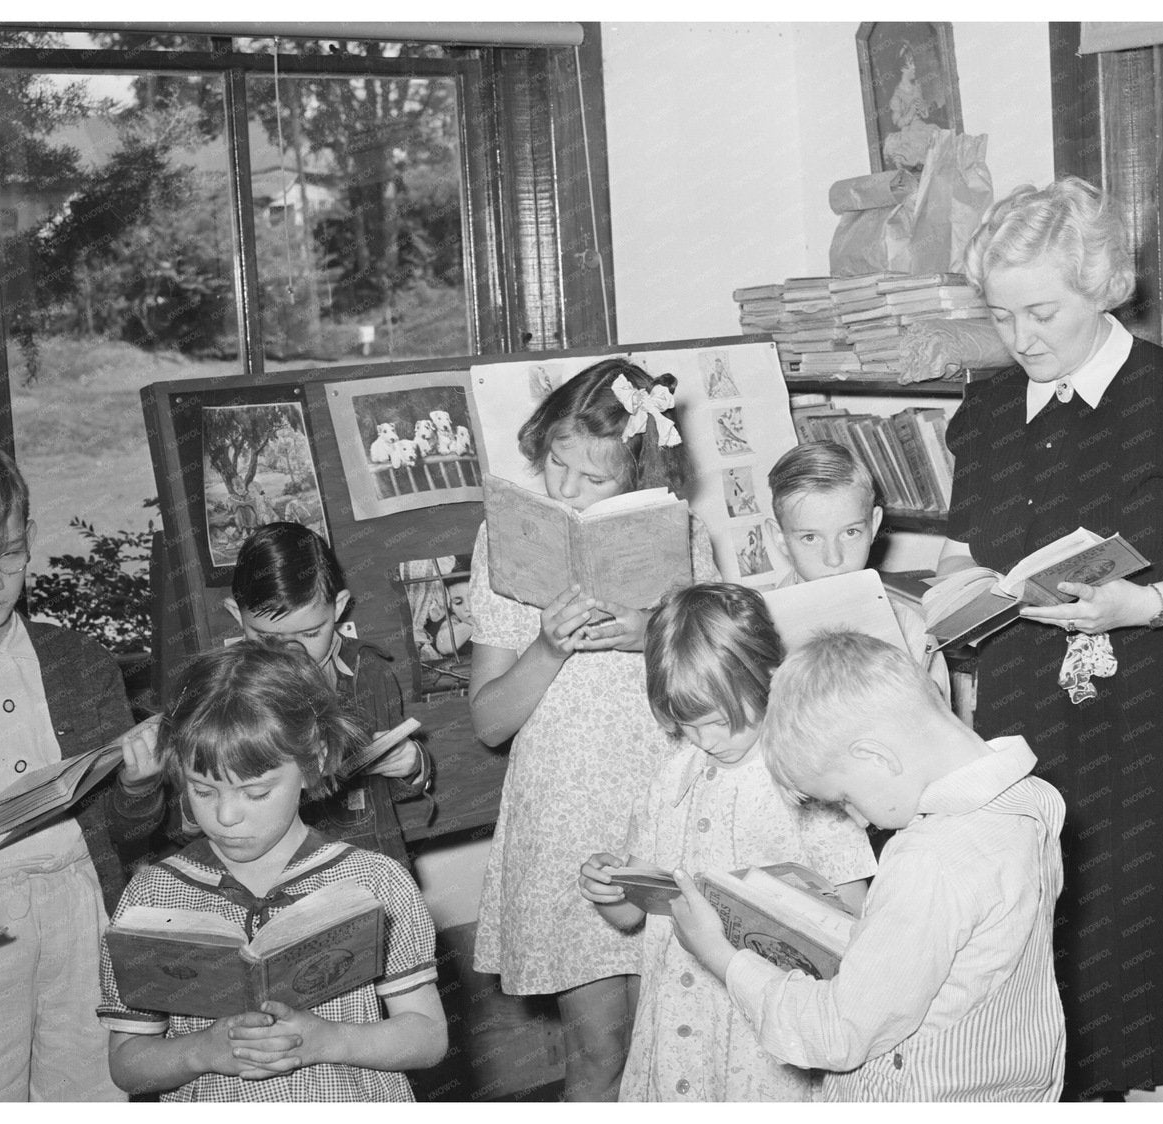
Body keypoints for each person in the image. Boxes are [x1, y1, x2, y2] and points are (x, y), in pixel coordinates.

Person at [936, 175, 1163, 1101]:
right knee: (1037, 966)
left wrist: (1146, 606)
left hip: (1146, 728)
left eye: (1042, 310)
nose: (1022, 338)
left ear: (1105, 285)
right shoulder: (991, 414)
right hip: (1017, 723)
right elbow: (963, 554)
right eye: (1001, 316)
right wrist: (949, 603)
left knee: (1156, 974)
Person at [667, 630, 1066, 1101]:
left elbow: (838, 1033)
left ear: (874, 755)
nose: (856, 817)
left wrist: (720, 955)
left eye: (844, 797)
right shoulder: (1034, 800)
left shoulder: (929, 860)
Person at [469, 358, 720, 1100]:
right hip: (565, 816)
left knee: (672, 1045)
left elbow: (717, 693)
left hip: (662, 804)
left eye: (596, 480)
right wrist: (550, 647)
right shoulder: (504, 546)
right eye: (556, 464)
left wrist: (653, 633)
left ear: (641, 484)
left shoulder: (684, 539)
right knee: (599, 1048)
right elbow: (488, 722)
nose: (567, 493)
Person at [96, 641, 447, 1101]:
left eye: (256, 793)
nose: (226, 816)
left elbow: (428, 1038)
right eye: (203, 790)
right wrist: (201, 1052)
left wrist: (326, 1040)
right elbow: (127, 1064)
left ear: (314, 762)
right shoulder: (151, 896)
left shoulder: (375, 881)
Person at [578, 583, 876, 1100]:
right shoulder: (670, 780)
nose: (707, 741)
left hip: (764, 1033)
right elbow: (632, 915)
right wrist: (610, 889)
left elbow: (858, 919)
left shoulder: (808, 780)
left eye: (719, 721)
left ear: (767, 678)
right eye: (688, 726)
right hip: (675, 1028)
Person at [0, 440, 166, 1102]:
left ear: (28, 538)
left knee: (90, 1088)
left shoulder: (79, 662)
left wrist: (140, 786)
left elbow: (124, 830)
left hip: (80, 906)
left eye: (5, 554)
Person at [225, 522, 432, 863]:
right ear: (237, 614)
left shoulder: (369, 672)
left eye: (309, 634)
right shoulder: (225, 690)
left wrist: (412, 763)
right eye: (266, 639)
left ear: (338, 608)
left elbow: (390, 787)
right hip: (283, 877)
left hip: (372, 865)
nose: (293, 653)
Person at [766, 440, 949, 702]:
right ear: (780, 538)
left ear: (874, 525)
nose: (833, 559)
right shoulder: (756, 633)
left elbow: (937, 733)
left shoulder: (911, 630)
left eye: (850, 533)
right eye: (810, 538)